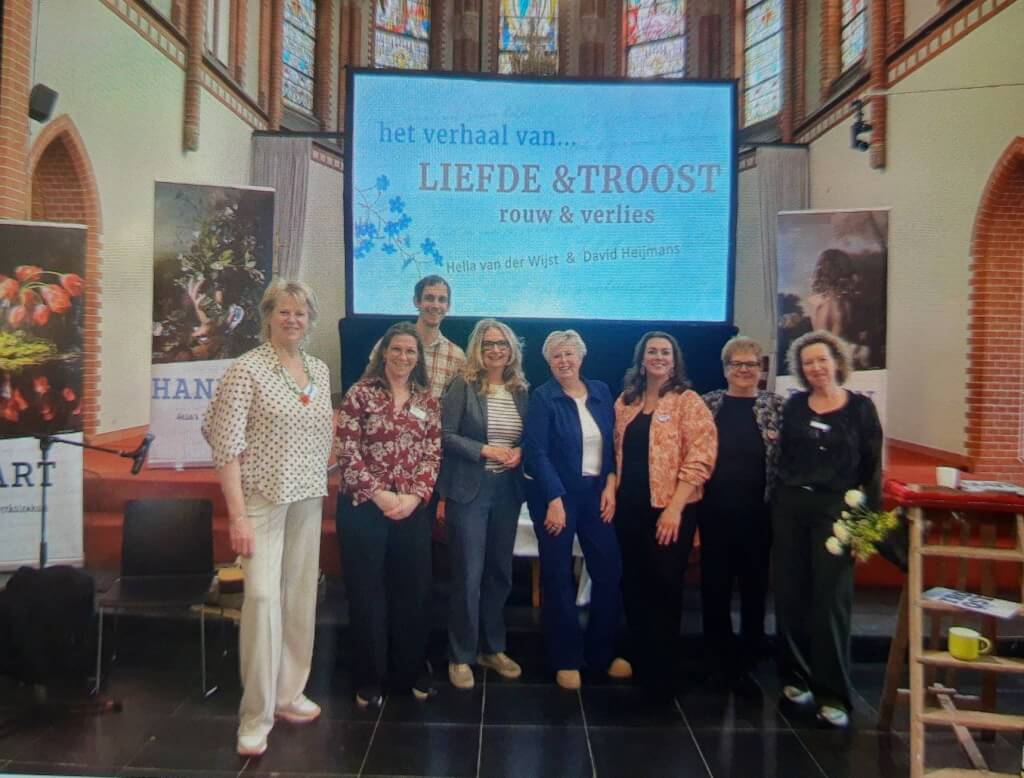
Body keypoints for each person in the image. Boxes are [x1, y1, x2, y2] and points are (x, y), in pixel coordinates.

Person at [202, 279, 333, 758]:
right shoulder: (247, 369)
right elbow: (224, 445)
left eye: (301, 313)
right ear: (268, 316)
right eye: (284, 312)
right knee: (260, 599)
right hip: (260, 501)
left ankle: (288, 693)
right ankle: (254, 717)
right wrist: (237, 516)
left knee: (299, 597)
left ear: (310, 320)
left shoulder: (318, 369)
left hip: (307, 498)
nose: (293, 320)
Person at [773, 330, 882, 729]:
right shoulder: (794, 406)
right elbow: (782, 458)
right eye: (808, 363)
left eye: (822, 359)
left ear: (837, 361)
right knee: (790, 596)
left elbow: (873, 473)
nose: (816, 368)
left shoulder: (861, 409)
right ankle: (795, 678)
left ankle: (832, 694)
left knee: (831, 601)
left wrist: (865, 533)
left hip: (838, 511)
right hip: (791, 508)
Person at [334, 322, 442, 709]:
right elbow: (347, 452)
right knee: (367, 594)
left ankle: (409, 673)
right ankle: (369, 678)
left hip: (411, 509)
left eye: (410, 351)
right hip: (364, 508)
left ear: (419, 358)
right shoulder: (360, 394)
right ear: (383, 353)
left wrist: (413, 497)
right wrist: (380, 496)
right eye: (396, 349)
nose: (403, 357)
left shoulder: (428, 401)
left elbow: (432, 454)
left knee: (413, 592)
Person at [523, 330, 631, 690]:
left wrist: (611, 484)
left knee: (609, 570)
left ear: (581, 357)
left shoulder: (601, 391)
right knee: (557, 575)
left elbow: (613, 443)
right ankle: (565, 657)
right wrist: (554, 498)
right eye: (556, 356)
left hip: (597, 493)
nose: (564, 361)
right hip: (556, 496)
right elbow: (536, 453)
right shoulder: (543, 397)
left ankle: (601, 652)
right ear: (548, 362)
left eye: (569, 354)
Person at [613, 331, 717, 700]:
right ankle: (637, 656)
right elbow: (615, 453)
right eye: (652, 351)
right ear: (641, 359)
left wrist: (674, 508)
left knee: (665, 585)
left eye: (665, 352)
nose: (659, 357)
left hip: (670, 511)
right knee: (633, 583)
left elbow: (701, 457)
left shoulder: (689, 402)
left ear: (675, 361)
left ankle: (662, 670)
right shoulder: (626, 402)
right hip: (630, 509)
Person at [441, 319, 528, 690]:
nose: (496, 350)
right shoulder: (463, 385)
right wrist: (485, 450)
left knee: (499, 572)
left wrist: (520, 451)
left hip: (507, 492)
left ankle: (492, 649)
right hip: (469, 492)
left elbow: (530, 436)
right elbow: (445, 434)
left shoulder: (520, 389)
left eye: (502, 344)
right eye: (489, 344)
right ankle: (461, 654)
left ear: (512, 350)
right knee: (468, 574)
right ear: (478, 348)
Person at [699, 336, 783, 695]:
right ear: (725, 369)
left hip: (759, 514)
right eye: (737, 364)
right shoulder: (708, 404)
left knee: (754, 586)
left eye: (751, 364)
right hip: (714, 512)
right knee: (715, 586)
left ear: (761, 369)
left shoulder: (776, 406)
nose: (744, 370)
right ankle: (717, 657)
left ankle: (750, 656)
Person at [369, 275, 466, 399]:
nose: (436, 305)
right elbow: (367, 387)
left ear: (448, 306)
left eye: (442, 300)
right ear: (416, 301)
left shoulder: (456, 357)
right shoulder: (390, 344)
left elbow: (457, 404)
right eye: (429, 298)